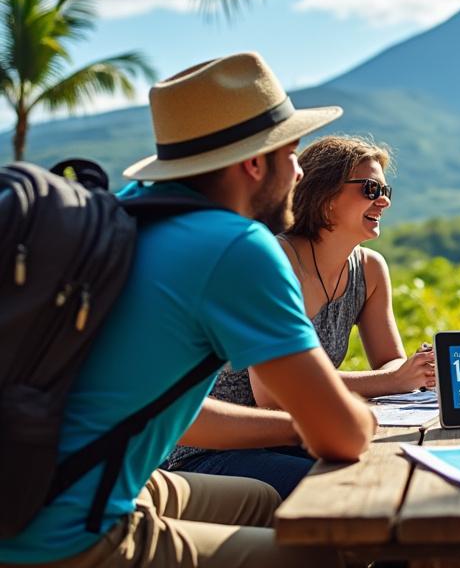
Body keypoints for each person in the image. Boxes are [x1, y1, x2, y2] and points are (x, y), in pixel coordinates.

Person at [0, 52, 376, 568]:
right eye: (290, 153)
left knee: (261, 499)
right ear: (253, 163)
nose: (297, 171)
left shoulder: (128, 215)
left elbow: (180, 415)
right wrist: (353, 419)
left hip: (50, 482)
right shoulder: (235, 246)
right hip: (66, 533)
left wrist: (295, 426)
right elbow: (345, 435)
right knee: (328, 555)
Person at [166, 135, 434, 498]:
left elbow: (389, 364)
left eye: (385, 189)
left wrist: (405, 375)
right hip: (213, 452)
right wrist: (392, 380)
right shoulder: (274, 261)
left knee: (408, 471)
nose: (383, 199)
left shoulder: (370, 270)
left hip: (294, 435)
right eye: (370, 188)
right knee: (363, 486)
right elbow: (272, 396)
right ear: (323, 195)